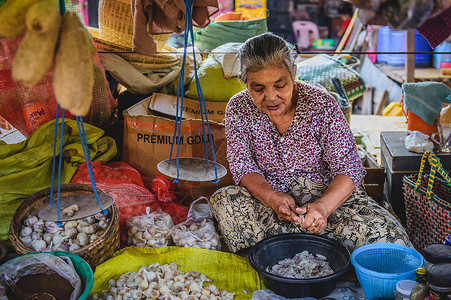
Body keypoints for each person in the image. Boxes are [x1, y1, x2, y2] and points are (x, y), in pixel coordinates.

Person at [208, 32, 411, 253]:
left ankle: (288, 247)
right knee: (224, 202)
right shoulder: (238, 108)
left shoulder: (321, 104)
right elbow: (242, 165)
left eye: (280, 85)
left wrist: (322, 207)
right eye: (258, 88)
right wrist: (272, 197)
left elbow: (349, 168)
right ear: (244, 82)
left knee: (394, 243)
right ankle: (308, 249)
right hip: (271, 207)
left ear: (293, 73)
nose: (271, 96)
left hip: (331, 206)